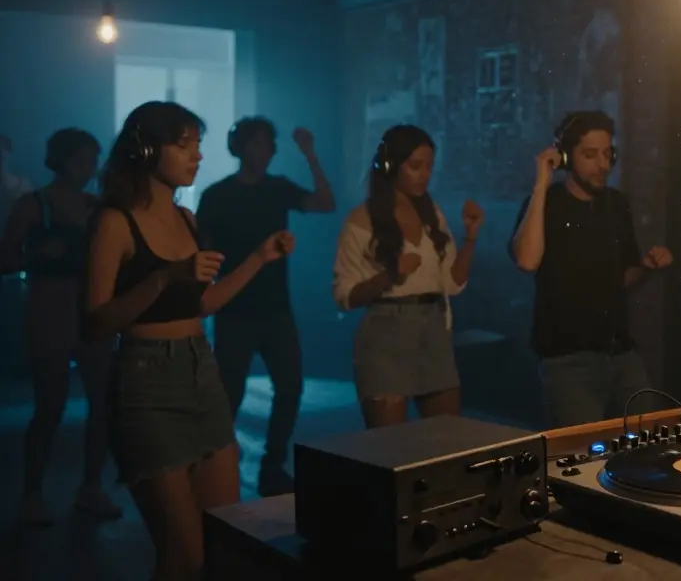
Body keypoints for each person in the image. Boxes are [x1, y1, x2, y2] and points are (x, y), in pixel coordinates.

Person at [84, 101, 295, 580]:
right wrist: (163, 278)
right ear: (146, 151)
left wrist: (259, 258)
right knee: (184, 557)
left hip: (201, 370)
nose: (197, 156)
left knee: (226, 542)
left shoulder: (187, 219)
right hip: (147, 380)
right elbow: (96, 323)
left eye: (198, 146)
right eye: (184, 146)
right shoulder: (115, 221)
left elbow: (201, 305)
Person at [195, 117, 334, 497]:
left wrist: (310, 155)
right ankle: (217, 463)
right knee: (229, 393)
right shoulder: (217, 196)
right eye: (259, 143)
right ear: (240, 147)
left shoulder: (278, 188)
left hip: (275, 308)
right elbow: (202, 249)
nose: (267, 150)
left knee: (290, 387)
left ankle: (272, 467)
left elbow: (325, 203)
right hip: (234, 311)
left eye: (270, 143)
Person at [510, 111, 674, 427]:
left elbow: (624, 277)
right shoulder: (546, 204)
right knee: (584, 450)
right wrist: (542, 184)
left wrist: (647, 267)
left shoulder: (616, 204)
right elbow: (527, 261)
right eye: (590, 155)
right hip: (567, 362)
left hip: (621, 354)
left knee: (650, 437)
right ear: (566, 157)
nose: (603, 165)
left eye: (607, 154)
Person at [0, 128, 121, 525]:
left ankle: (91, 487)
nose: (88, 168)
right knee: (50, 406)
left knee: (103, 403)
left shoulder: (96, 206)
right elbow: (6, 259)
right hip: (50, 312)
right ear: (60, 161)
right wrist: (37, 254)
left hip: (93, 312)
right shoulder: (34, 205)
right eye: (81, 160)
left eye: (92, 161)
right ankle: (32, 494)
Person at [332, 125, 481, 429]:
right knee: (390, 446)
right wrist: (390, 275)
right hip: (387, 332)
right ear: (390, 166)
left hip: (434, 329)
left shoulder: (432, 214)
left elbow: (452, 283)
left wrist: (471, 238)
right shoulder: (361, 220)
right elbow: (344, 295)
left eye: (429, 167)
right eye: (415, 166)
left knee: (447, 439)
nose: (424, 175)